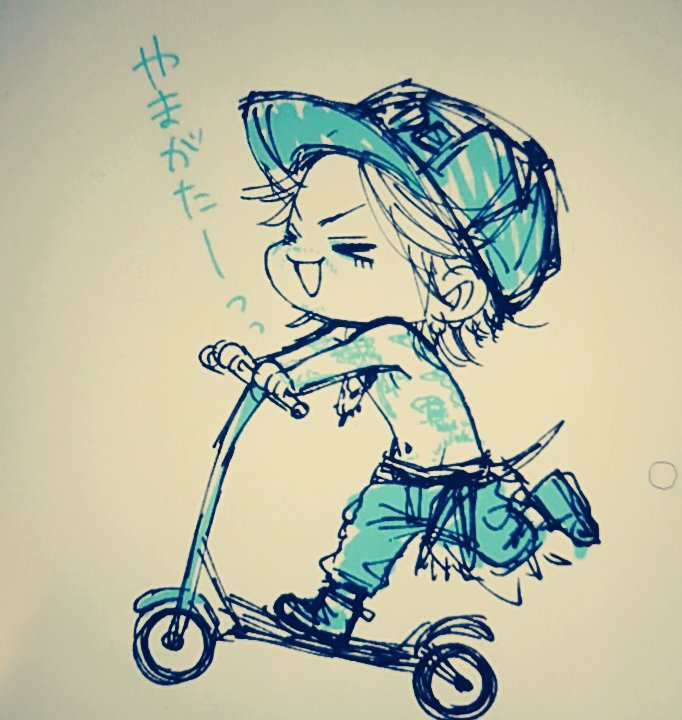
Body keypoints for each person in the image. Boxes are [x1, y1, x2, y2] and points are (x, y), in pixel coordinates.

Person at [210, 81, 599, 645]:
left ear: (454, 291)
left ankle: (550, 503)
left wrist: (281, 375)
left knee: (503, 545)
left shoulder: (392, 339)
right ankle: (336, 611)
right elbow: (321, 351)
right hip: (404, 472)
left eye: (352, 249)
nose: (300, 259)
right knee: (368, 529)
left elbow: (330, 361)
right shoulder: (362, 332)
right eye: (296, 233)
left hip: (455, 479)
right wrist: (257, 364)